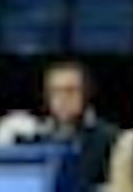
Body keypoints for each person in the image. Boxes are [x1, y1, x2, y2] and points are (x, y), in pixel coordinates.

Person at [19, 60, 118, 191]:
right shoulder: (35, 138)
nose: (62, 98)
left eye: (70, 91)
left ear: (86, 92)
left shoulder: (111, 139)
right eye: (55, 91)